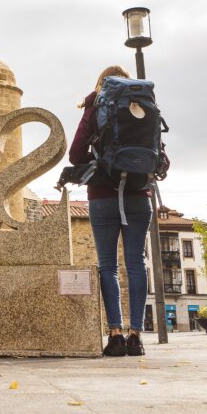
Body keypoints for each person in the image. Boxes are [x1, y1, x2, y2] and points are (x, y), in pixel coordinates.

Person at [68, 64, 154, 357]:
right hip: (139, 195)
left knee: (108, 265)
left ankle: (115, 335)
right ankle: (136, 336)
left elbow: (76, 154)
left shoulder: (95, 104)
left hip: (102, 196)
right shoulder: (142, 105)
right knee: (136, 263)